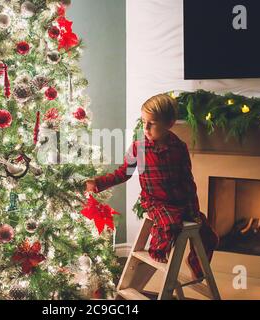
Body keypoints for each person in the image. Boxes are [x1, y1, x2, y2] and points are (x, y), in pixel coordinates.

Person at [85, 93, 219, 280]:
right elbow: (122, 173)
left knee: (208, 233)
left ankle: (196, 264)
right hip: (155, 201)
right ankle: (158, 251)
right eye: (143, 121)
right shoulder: (138, 148)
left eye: (152, 123)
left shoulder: (178, 148)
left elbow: (187, 180)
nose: (146, 127)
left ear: (169, 123)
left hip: (180, 201)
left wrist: (193, 209)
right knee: (170, 223)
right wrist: (98, 183)